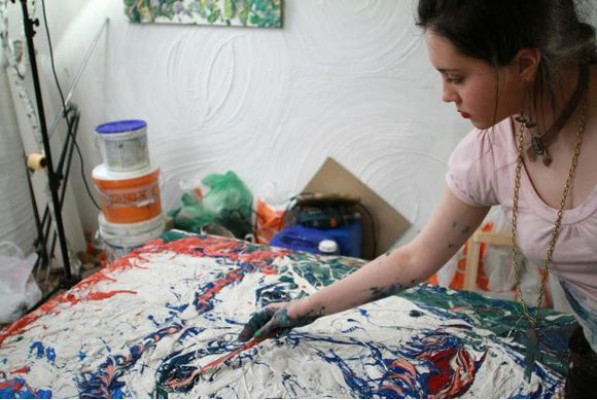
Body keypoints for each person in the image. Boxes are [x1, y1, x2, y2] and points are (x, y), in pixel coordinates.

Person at [238, 0, 597, 397]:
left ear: (525, 64)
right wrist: (302, 309)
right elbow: (415, 257)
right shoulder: (491, 151)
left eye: (456, 77)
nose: (445, 94)